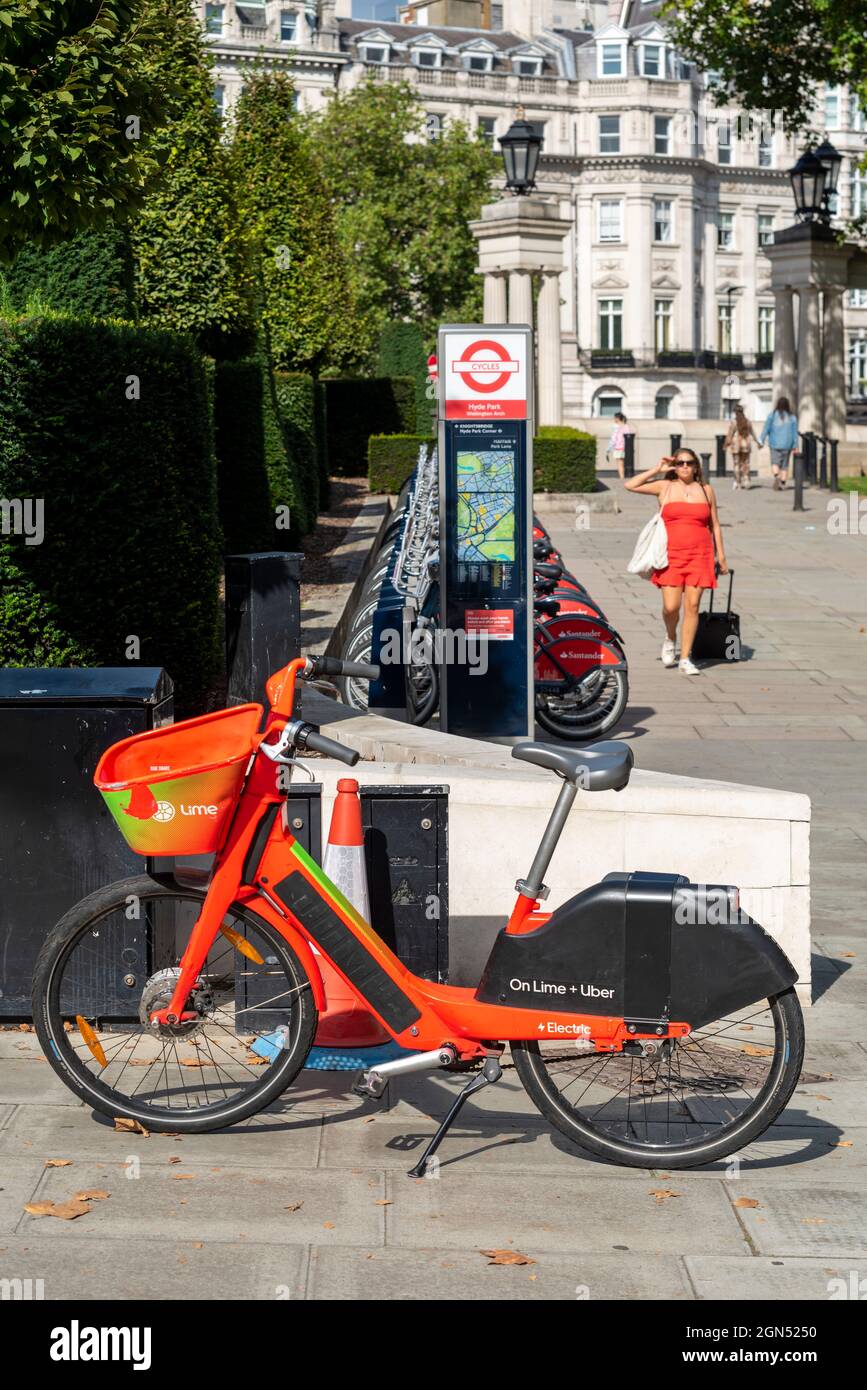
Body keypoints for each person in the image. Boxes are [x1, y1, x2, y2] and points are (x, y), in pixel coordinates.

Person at [624, 448, 728, 676]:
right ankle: (670, 637)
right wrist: (658, 469)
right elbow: (630, 485)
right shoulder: (665, 487)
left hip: (700, 555)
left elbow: (715, 525)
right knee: (671, 607)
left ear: (696, 466)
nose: (684, 467)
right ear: (674, 465)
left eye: (689, 463)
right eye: (680, 463)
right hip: (671, 555)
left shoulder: (706, 490)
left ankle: (685, 658)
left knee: (692, 606)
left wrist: (721, 556)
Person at [758, 396, 798, 490]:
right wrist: (795, 445)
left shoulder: (772, 415)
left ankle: (777, 477)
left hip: (774, 443)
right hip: (787, 444)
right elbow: (794, 432)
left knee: (775, 462)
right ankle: (783, 483)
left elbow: (766, 429)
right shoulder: (792, 417)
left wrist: (761, 440)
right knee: (785, 465)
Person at [725, 405, 760, 490]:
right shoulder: (747, 422)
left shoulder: (734, 422)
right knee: (746, 463)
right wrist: (757, 442)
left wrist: (726, 444)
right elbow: (753, 433)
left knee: (736, 464)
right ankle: (746, 480)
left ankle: (737, 482)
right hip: (746, 445)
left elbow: (730, 434)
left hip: (736, 446)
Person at [606, 412, 633, 480]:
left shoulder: (616, 427)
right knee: (622, 462)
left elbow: (613, 438)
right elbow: (628, 437)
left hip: (618, 447)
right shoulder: (626, 426)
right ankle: (622, 477)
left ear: (617, 418)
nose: (614, 419)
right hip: (625, 447)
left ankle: (621, 478)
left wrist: (609, 448)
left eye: (615, 418)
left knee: (619, 463)